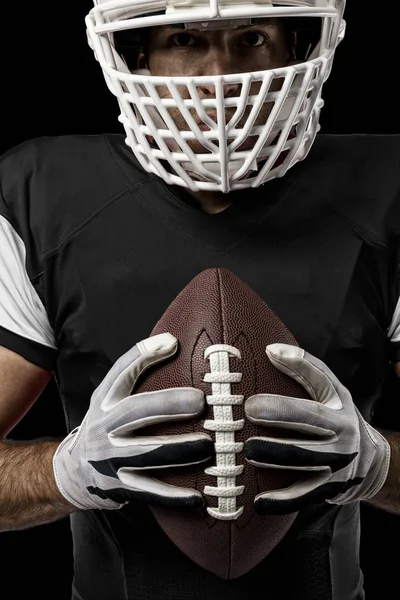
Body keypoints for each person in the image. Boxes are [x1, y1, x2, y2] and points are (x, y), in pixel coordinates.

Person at [0, 0, 399, 598]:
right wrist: (65, 473)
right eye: (186, 39)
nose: (220, 77)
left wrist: (378, 464)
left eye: (252, 38)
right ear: (138, 55)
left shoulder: (387, 188)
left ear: (299, 46)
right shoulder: (42, 195)